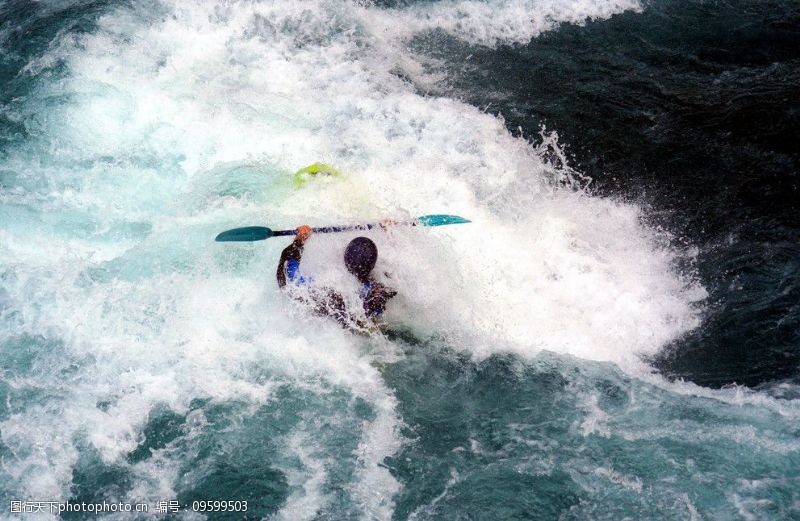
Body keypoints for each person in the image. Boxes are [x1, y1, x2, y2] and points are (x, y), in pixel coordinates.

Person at [276, 225, 396, 327]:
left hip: (333, 332)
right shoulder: (377, 288)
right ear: (373, 265)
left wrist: (299, 240)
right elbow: (397, 264)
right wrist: (390, 232)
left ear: (345, 259)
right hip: (368, 328)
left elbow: (291, 282)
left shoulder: (332, 285)